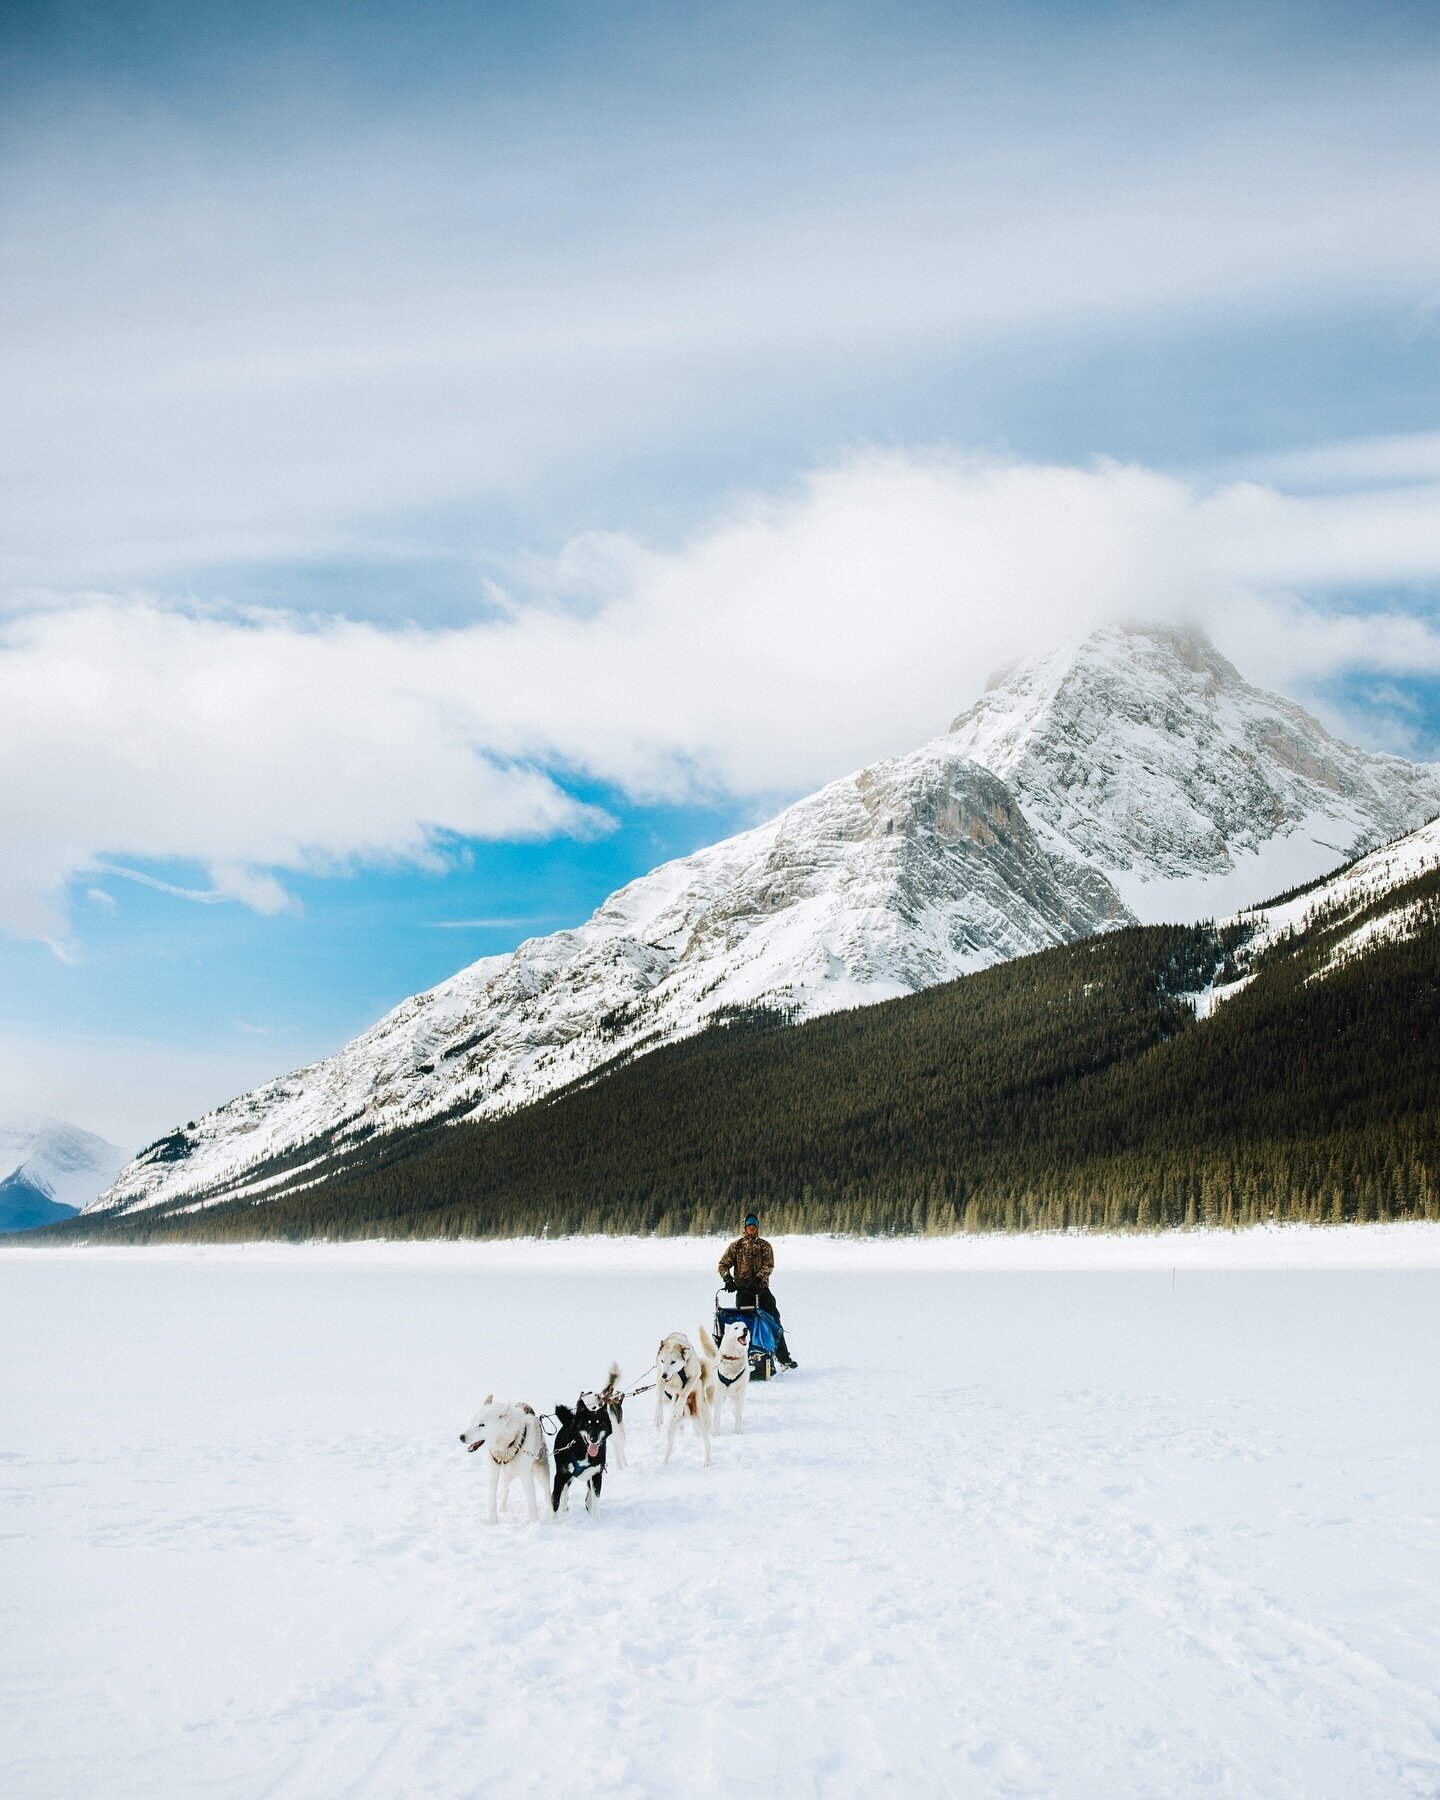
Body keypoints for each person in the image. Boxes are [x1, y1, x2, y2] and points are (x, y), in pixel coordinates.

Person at [718, 1212, 797, 1369]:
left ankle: (783, 1358)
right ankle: (741, 1359)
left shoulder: (765, 1246)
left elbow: (769, 1266)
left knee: (773, 1321)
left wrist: (758, 1279)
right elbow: (722, 1264)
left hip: (761, 1291)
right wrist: (728, 1279)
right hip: (743, 1293)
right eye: (749, 1225)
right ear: (745, 1227)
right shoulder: (736, 1246)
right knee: (743, 1326)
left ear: (758, 1227)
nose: (751, 1227)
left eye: (754, 1225)